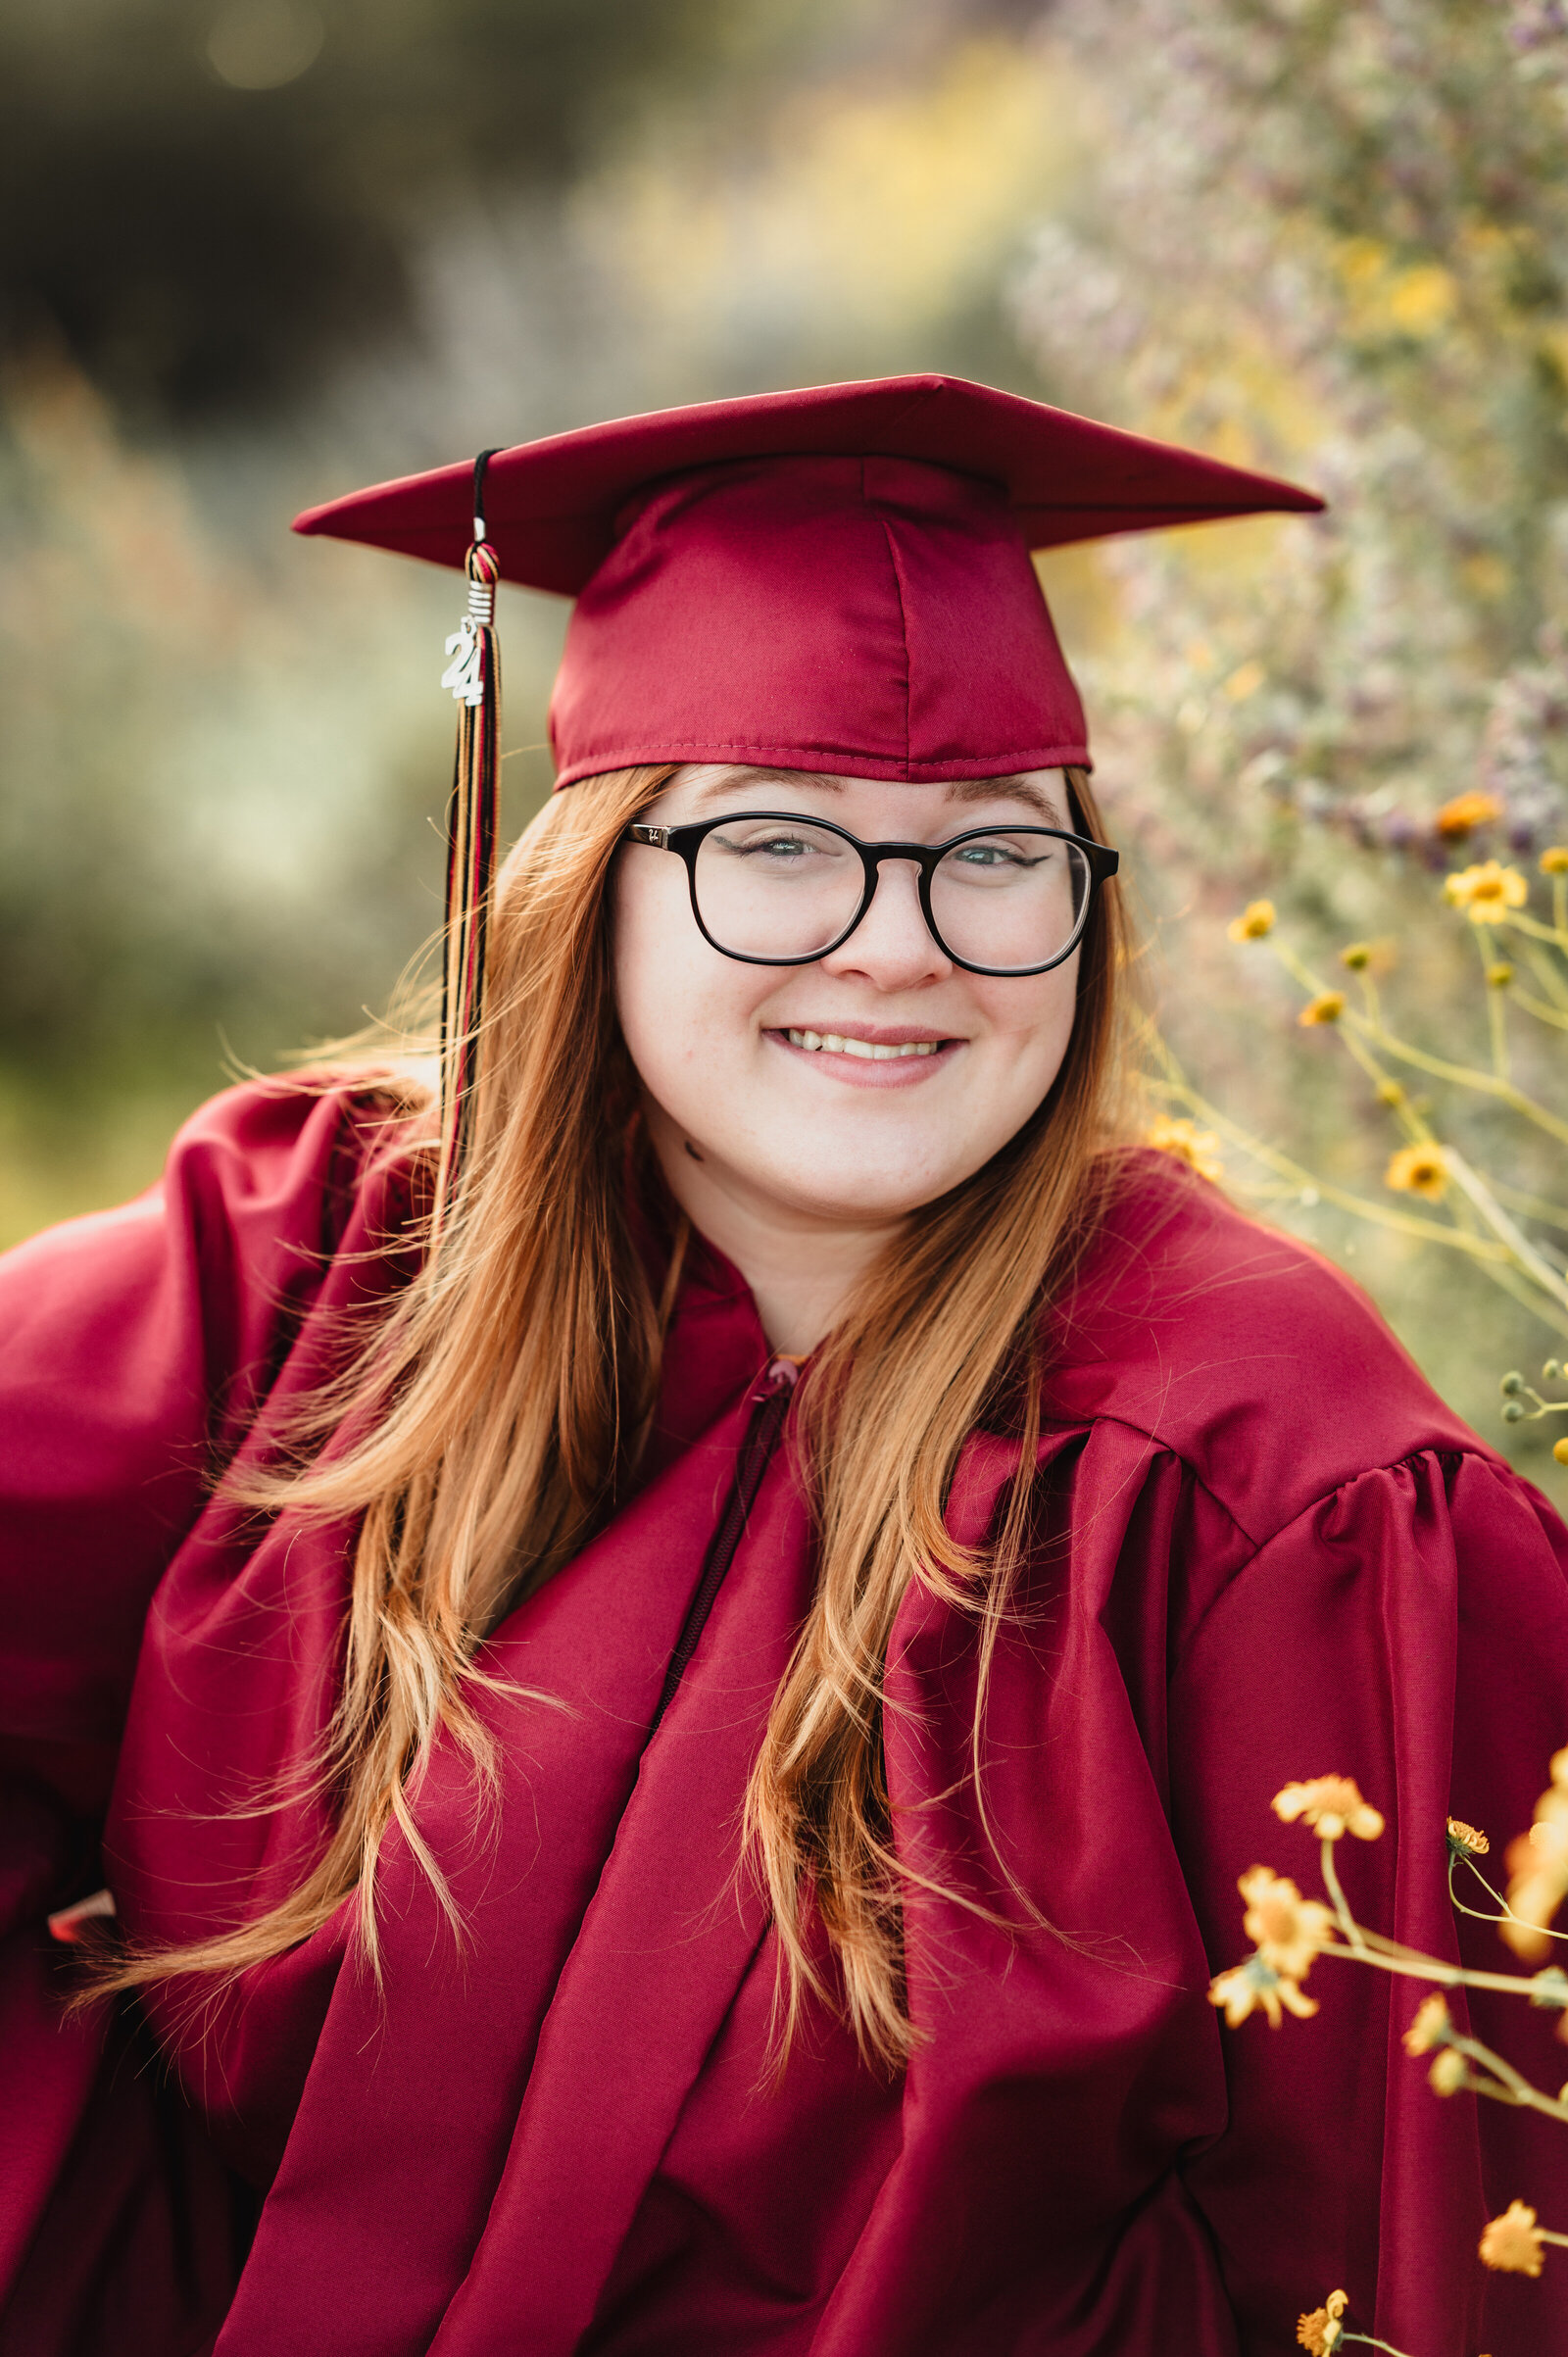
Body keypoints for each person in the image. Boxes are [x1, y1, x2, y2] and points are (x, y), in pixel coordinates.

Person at [1, 374, 1565, 2357]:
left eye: (995, 854)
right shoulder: (310, 1265)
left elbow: (1432, 2239)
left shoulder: (1266, 1476)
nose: (896, 948)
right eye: (774, 845)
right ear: (591, 892)